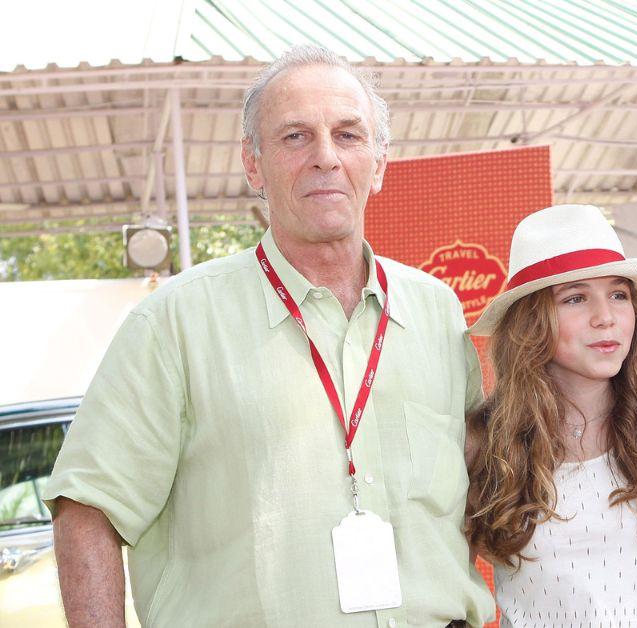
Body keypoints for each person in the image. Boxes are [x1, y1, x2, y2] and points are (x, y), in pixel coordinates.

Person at [44, 44, 492, 627]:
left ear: (379, 163)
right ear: (254, 165)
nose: (326, 157)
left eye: (349, 135)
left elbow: (485, 495)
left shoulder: (438, 312)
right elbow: (88, 511)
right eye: (295, 137)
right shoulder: (174, 324)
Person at [465, 204, 637, 628]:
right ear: (531, 321)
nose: (605, 317)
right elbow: (450, 596)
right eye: (575, 298)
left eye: (618, 295)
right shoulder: (484, 445)